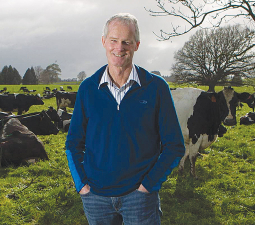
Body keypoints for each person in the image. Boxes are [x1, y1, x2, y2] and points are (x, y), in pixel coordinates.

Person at [65, 13, 185, 225]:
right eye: (113, 40)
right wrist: (81, 185)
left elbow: (174, 145)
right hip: (96, 198)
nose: (119, 48)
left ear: (137, 45)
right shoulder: (88, 89)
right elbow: (73, 143)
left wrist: (148, 186)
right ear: (103, 42)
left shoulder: (156, 88)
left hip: (140, 197)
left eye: (126, 42)